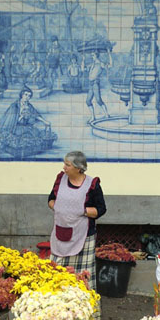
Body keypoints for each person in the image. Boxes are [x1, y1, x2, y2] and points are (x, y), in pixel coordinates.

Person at [48, 151, 106, 290]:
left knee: (82, 278)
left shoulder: (92, 185)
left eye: (67, 165)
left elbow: (101, 209)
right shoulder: (60, 180)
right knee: (55, 273)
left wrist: (81, 211)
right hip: (60, 234)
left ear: (78, 168)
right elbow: (50, 200)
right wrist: (60, 209)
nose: (64, 167)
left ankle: (87, 309)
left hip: (83, 237)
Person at [81, 51, 111, 124]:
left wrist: (109, 54)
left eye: (93, 55)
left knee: (98, 100)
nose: (92, 56)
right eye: (91, 55)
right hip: (91, 84)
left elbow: (110, 65)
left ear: (96, 55)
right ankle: (93, 117)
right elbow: (82, 69)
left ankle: (106, 114)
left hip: (95, 83)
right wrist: (83, 59)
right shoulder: (92, 64)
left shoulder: (101, 64)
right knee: (88, 101)